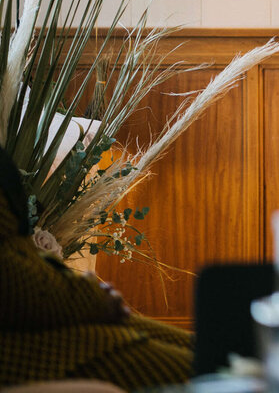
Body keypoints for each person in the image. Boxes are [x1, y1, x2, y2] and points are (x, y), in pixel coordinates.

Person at [0, 146, 193, 387]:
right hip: (28, 345)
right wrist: (89, 297)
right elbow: (11, 282)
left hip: (51, 314)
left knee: (204, 349)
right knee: (208, 371)